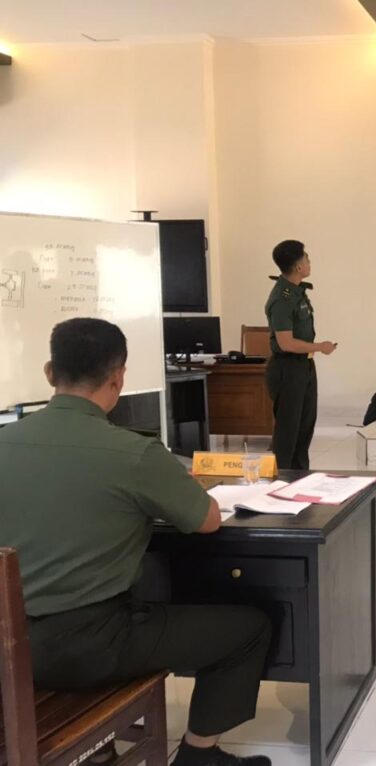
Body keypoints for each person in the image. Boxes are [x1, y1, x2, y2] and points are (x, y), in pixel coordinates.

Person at [0, 318, 274, 766]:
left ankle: (102, 749)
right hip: (90, 647)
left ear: (50, 373)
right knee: (248, 629)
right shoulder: (134, 453)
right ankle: (198, 757)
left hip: (10, 649)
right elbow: (207, 520)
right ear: (118, 378)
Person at [264, 240, 336, 470]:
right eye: (306, 258)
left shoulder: (297, 292)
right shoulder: (282, 299)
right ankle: (281, 480)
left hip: (303, 367)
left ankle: (300, 477)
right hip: (288, 369)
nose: (309, 262)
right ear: (298, 266)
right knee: (288, 433)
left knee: (304, 429)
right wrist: (319, 346)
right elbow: (285, 343)